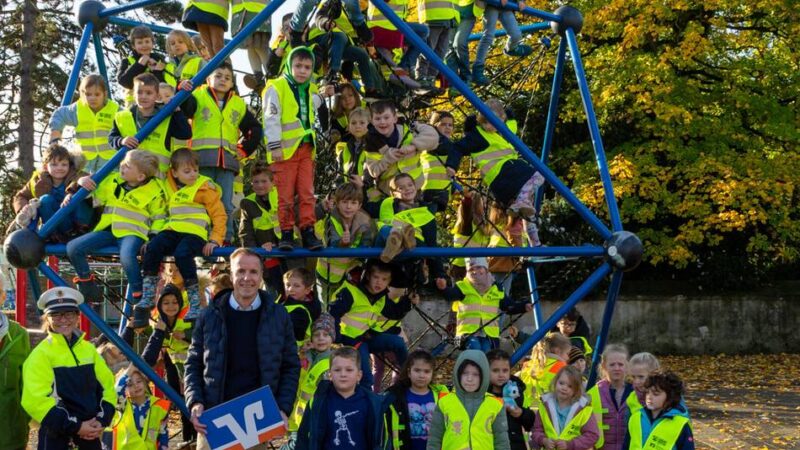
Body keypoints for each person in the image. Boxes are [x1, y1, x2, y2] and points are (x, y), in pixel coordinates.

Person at [185, 248, 301, 450]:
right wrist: (195, 402)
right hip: (214, 418)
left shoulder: (279, 315)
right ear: (231, 275)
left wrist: (283, 408)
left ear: (262, 276)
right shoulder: (209, 315)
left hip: (256, 419)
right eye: (240, 271)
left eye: (253, 272)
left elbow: (290, 366)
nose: (247, 278)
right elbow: (193, 363)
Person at [135, 148, 227, 326]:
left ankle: (194, 302)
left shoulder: (204, 187)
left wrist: (215, 239)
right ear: (175, 173)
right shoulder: (169, 184)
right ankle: (148, 295)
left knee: (182, 254)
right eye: (187, 171)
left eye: (195, 170)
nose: (193, 174)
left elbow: (219, 215)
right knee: (153, 248)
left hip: (195, 232)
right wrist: (152, 237)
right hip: (173, 229)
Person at [66, 150, 166, 306]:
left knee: (127, 256)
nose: (122, 167)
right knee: (73, 247)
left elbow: (159, 217)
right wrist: (81, 184)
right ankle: (87, 284)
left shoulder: (155, 191)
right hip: (108, 230)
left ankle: (139, 294)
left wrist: (153, 237)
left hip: (133, 233)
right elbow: (92, 193)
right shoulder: (113, 180)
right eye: (123, 163)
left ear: (140, 177)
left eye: (127, 166)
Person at [22, 287, 116, 450]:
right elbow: (35, 401)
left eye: (69, 313)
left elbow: (108, 387)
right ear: (47, 319)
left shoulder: (89, 350)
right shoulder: (40, 355)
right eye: (56, 315)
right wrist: (77, 427)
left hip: (90, 433)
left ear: (77, 317)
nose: (63, 319)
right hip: (57, 437)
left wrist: (102, 421)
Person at [180, 62, 263, 243]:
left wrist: (244, 149)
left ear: (232, 83)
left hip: (226, 162)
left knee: (225, 202)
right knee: (202, 200)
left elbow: (254, 129)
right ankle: (200, 237)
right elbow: (185, 108)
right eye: (218, 76)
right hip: (200, 161)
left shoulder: (237, 103)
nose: (222, 80)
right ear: (208, 79)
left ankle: (224, 239)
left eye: (227, 78)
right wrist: (183, 90)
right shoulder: (198, 95)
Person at [262, 46, 334, 251]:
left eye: (307, 67)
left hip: (305, 149)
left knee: (307, 192)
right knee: (284, 194)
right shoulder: (276, 87)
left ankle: (307, 230)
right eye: (298, 66)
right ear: (289, 66)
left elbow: (307, 105)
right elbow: (271, 117)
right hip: (284, 150)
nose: (302, 71)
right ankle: (286, 232)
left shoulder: (308, 88)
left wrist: (323, 95)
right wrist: (274, 145)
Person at [446, 98, 545, 246]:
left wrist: (508, 113)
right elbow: (457, 147)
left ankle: (536, 245)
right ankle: (521, 201)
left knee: (527, 212)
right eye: (485, 122)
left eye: (493, 122)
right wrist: (452, 165)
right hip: (503, 172)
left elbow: (511, 124)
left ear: (501, 119)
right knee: (539, 176)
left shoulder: (503, 129)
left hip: (502, 182)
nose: (489, 126)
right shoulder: (477, 136)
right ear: (480, 121)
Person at [330, 259, 417, 389]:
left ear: (389, 282)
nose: (379, 282)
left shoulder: (381, 295)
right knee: (366, 376)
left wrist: (409, 302)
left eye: (384, 279)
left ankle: (409, 378)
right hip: (351, 340)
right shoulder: (350, 292)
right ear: (368, 276)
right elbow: (333, 313)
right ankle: (368, 402)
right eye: (376, 277)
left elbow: (393, 312)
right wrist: (338, 337)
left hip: (368, 336)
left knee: (398, 342)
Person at [295, 346, 387, 450]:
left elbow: (380, 440)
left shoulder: (373, 403)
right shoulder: (318, 402)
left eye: (349, 370)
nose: (343, 374)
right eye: (337, 370)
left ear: (359, 375)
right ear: (330, 374)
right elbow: (303, 437)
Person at [435, 257, 531, 352]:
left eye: (479, 268)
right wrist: (443, 289)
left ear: (486, 270)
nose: (475, 271)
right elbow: (450, 295)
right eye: (471, 269)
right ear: (467, 272)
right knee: (475, 348)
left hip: (489, 335)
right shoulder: (463, 287)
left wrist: (523, 306)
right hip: (466, 334)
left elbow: (508, 306)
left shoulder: (496, 289)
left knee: (487, 352)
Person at [109, 72, 193, 177]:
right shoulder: (122, 116)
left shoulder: (166, 115)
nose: (143, 96)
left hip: (156, 176)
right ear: (134, 94)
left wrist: (177, 112)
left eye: (149, 93)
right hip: (130, 175)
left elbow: (186, 134)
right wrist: (121, 141)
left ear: (157, 96)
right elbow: (112, 138)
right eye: (139, 92)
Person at [364, 100, 439, 214]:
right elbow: (374, 171)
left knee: (419, 220)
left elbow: (433, 138)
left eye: (386, 117)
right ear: (372, 121)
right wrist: (388, 158)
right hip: (392, 193)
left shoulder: (408, 129)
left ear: (394, 118)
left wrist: (414, 146)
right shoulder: (372, 142)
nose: (382, 122)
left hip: (414, 187)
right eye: (378, 119)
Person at [427, 350, 510, 449]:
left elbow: (501, 442)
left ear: (484, 376)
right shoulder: (444, 402)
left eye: (475, 374)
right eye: (465, 373)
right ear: (458, 374)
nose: (469, 379)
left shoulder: (496, 405)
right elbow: (435, 439)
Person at [12, 144, 94, 242]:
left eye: (64, 164)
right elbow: (20, 196)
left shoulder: (76, 174)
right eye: (54, 164)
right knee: (44, 199)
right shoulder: (38, 181)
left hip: (74, 222)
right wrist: (23, 208)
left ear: (69, 165)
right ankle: (52, 234)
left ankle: (78, 230)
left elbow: (82, 178)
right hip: (55, 224)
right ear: (46, 167)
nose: (59, 168)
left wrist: (75, 187)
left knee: (77, 194)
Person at [315, 182, 376, 304]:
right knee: (326, 308)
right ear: (337, 203)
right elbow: (331, 245)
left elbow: (366, 247)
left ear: (359, 205)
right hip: (327, 276)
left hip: (351, 276)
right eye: (344, 202)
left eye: (353, 203)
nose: (348, 207)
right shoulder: (330, 218)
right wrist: (343, 243)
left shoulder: (366, 222)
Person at [48, 74, 120, 174]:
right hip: (85, 162)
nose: (92, 98)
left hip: (110, 160)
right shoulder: (78, 109)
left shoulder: (114, 109)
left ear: (105, 94)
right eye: (88, 94)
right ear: (82, 94)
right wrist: (54, 139)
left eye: (97, 94)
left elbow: (129, 124)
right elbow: (59, 115)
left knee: (109, 185)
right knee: (82, 186)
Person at [385, 350, 448, 450]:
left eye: (426, 371)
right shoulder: (396, 397)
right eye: (417, 370)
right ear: (409, 372)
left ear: (432, 373)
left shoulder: (442, 396)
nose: (421, 375)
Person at [238, 161, 284, 293]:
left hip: (289, 252)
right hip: (267, 257)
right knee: (274, 295)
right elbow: (246, 234)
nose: (259, 185)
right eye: (256, 182)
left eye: (264, 181)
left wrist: (277, 244)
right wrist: (256, 252)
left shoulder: (283, 197)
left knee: (295, 292)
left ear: (273, 181)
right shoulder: (248, 203)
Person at [287, 313, 335, 437]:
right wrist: (301, 350)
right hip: (298, 413)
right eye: (316, 335)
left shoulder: (334, 362)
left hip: (318, 415)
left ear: (332, 339)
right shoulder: (304, 355)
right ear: (311, 339)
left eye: (326, 335)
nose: (321, 338)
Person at [531, 365, 600, 450]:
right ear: (555, 382)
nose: (564, 388)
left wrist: (570, 444)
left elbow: (592, 435)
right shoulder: (544, 406)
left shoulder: (584, 410)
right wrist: (544, 441)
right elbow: (537, 430)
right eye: (561, 383)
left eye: (570, 386)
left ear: (576, 390)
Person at [623, 371, 694, 450]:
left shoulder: (680, 424)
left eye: (656, 393)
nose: (649, 397)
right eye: (647, 392)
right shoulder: (635, 418)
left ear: (670, 396)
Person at [471, 0, 532, 86]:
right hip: (492, 4)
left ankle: (511, 49)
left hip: (506, 7)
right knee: (488, 36)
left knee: (516, 35)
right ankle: (477, 70)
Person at [111, 365, 171, 450]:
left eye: (139, 381)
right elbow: (116, 391)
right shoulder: (122, 405)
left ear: (144, 381)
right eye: (130, 384)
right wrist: (129, 370)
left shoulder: (158, 406)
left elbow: (163, 433)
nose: (136, 386)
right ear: (124, 388)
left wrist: (164, 447)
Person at [486, 349, 535, 450]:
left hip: (516, 444)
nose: (501, 374)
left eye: (505, 370)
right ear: (486, 371)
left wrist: (520, 412)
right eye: (495, 370)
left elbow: (531, 423)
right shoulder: (482, 395)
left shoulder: (518, 392)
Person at [587, 344, 632, 450]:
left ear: (627, 366)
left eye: (620, 364)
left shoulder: (635, 393)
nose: (616, 368)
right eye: (612, 365)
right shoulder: (594, 393)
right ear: (604, 366)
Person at [0, 307, 31, 450]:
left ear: (2, 297)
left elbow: (26, 386)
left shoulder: (19, 334)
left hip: (11, 436)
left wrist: (23, 426)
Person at [517, 332, 571, 408]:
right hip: (548, 412)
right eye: (567, 353)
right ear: (557, 351)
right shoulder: (561, 367)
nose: (568, 358)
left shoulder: (527, 365)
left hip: (526, 410)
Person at [117, 26, 168, 103]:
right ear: (134, 46)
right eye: (140, 42)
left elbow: (165, 86)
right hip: (135, 105)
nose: (144, 45)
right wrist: (140, 64)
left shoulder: (159, 60)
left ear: (152, 43)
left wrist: (156, 71)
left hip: (157, 104)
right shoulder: (127, 61)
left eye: (147, 41)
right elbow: (124, 82)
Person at [231, 0, 272, 92]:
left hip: (258, 7)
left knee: (260, 44)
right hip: (240, 9)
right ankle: (259, 79)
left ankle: (272, 75)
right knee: (249, 45)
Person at [416, 0, 458, 88]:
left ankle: (430, 78)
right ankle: (421, 76)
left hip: (449, 17)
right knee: (428, 50)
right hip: (433, 17)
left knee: (440, 52)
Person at [420, 111, 454, 211]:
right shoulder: (435, 141)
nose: (447, 127)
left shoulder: (446, 143)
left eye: (450, 125)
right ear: (434, 126)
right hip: (431, 189)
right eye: (443, 124)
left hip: (442, 190)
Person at [280, 268, 322, 349]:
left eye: (296, 286)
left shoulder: (300, 312)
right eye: (288, 285)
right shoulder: (285, 300)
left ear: (307, 290)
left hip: (293, 349)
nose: (290, 289)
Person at [334, 107, 370, 188]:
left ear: (369, 125)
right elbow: (339, 174)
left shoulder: (374, 146)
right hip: (349, 194)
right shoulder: (343, 149)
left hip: (367, 192)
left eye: (362, 123)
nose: (357, 126)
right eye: (353, 123)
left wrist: (364, 186)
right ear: (349, 126)